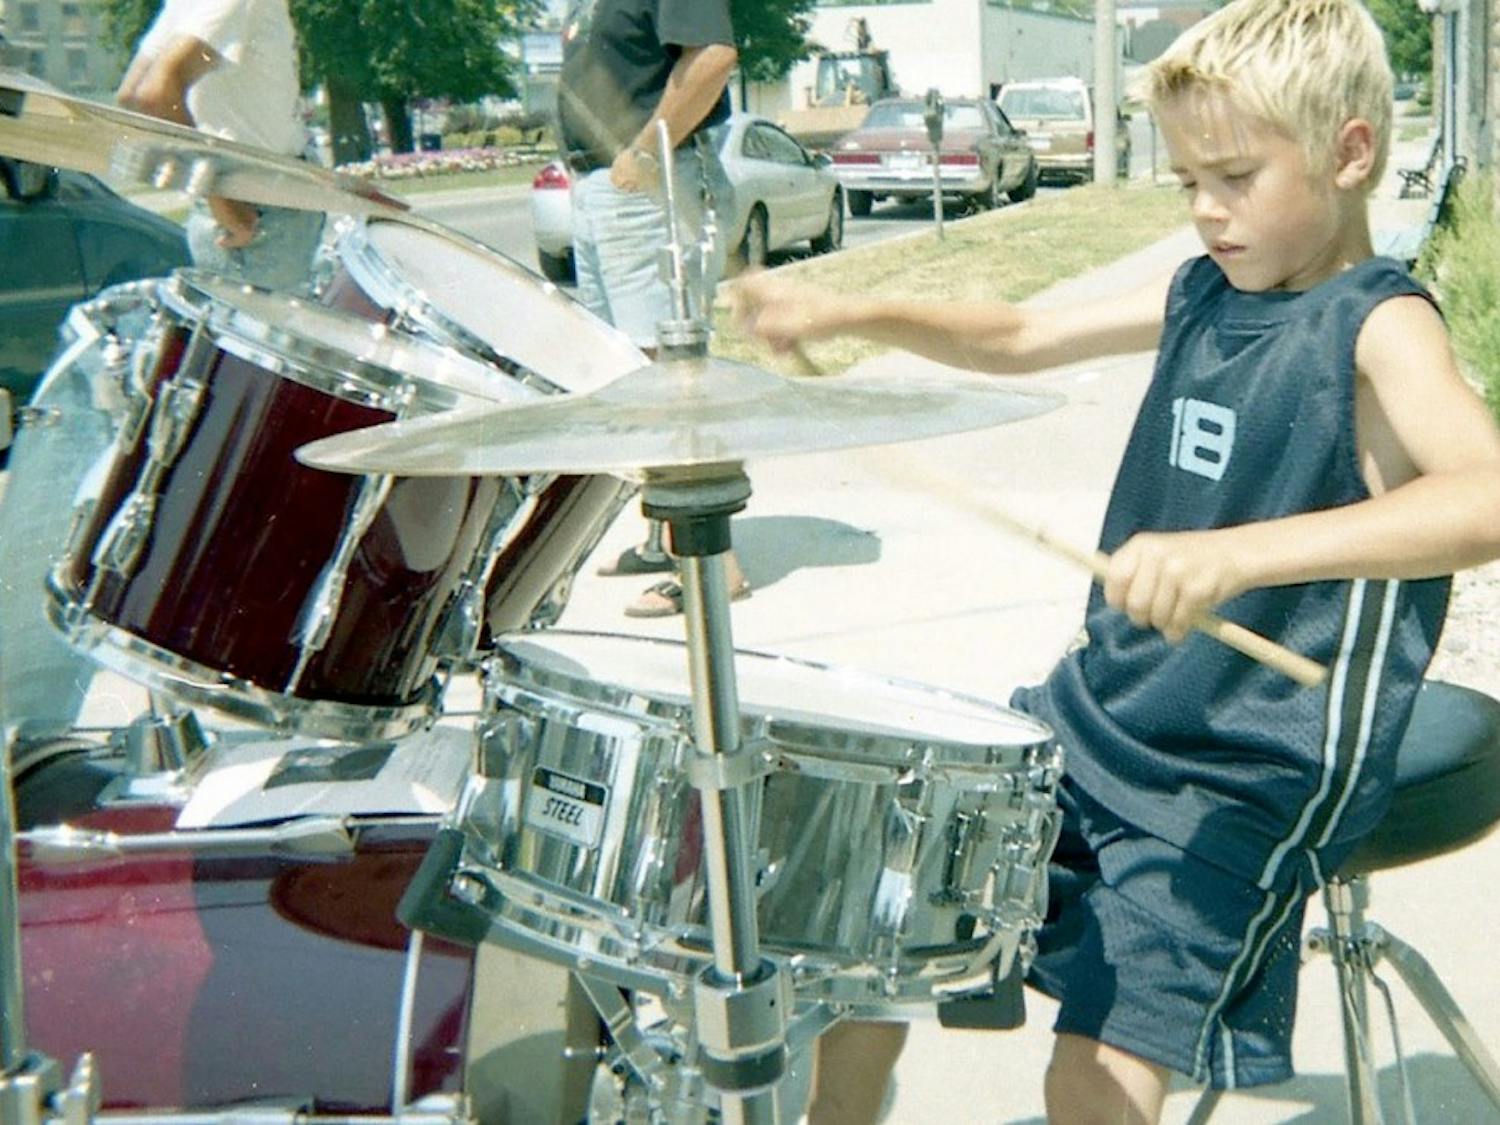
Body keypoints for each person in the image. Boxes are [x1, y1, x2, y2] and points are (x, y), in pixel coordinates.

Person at [733, 0, 1500, 1120]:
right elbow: (1022, 335)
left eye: (1234, 177)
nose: (1205, 210)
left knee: (1088, 1077)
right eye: (1187, 181)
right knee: (875, 926)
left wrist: (1237, 556)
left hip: (1243, 768)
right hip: (1094, 718)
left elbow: (1486, 494)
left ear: (1349, 154)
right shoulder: (1202, 290)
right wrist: (845, 307)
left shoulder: (1377, 324)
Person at [1, 0, 322, 755]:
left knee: (222, 436)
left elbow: (134, 92)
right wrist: (226, 203)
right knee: (259, 445)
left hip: (262, 212)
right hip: (268, 220)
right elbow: (151, 97)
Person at [556, 0, 749, 617]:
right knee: (632, 374)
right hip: (605, 189)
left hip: (654, 181)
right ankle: (664, 539)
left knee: (672, 374)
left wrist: (642, 152)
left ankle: (712, 561)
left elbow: (713, 56)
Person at [116, 0, 324, 293]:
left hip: (237, 210)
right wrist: (221, 199)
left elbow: (131, 94)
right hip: (259, 214)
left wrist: (210, 191)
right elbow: (154, 94)